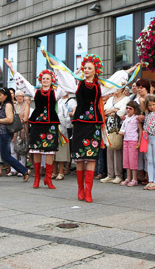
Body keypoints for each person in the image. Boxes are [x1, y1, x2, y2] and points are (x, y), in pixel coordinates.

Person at [47, 51, 138, 202]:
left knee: (91, 157)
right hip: (80, 124)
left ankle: (88, 191)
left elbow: (116, 78)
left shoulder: (100, 86)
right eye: (85, 68)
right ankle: (80, 189)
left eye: (90, 68)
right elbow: (64, 71)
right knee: (80, 157)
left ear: (96, 70)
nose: (87, 70)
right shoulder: (77, 83)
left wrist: (131, 69)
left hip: (94, 124)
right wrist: (50, 57)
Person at [5, 59, 67, 189]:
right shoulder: (35, 92)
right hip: (38, 124)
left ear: (51, 80)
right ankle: (37, 178)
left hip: (50, 124)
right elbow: (24, 82)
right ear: (41, 80)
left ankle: (48, 179)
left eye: (47, 78)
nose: (45, 80)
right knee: (36, 151)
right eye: (43, 78)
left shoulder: (56, 93)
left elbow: (65, 82)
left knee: (50, 152)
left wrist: (59, 68)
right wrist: (12, 69)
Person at [101, 87, 130, 184]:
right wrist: (113, 110)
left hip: (118, 126)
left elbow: (121, 111)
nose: (116, 90)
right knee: (109, 149)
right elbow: (104, 111)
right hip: (109, 126)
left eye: (118, 88)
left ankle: (118, 175)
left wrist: (112, 111)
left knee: (117, 149)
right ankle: (110, 174)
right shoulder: (110, 99)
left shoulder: (126, 99)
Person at [119, 101, 142, 186]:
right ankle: (128, 177)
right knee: (126, 160)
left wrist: (139, 141)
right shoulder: (126, 118)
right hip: (126, 140)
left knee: (133, 160)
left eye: (130, 108)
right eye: (127, 108)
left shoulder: (136, 118)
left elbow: (140, 130)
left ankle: (134, 178)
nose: (128, 110)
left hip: (133, 140)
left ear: (135, 110)